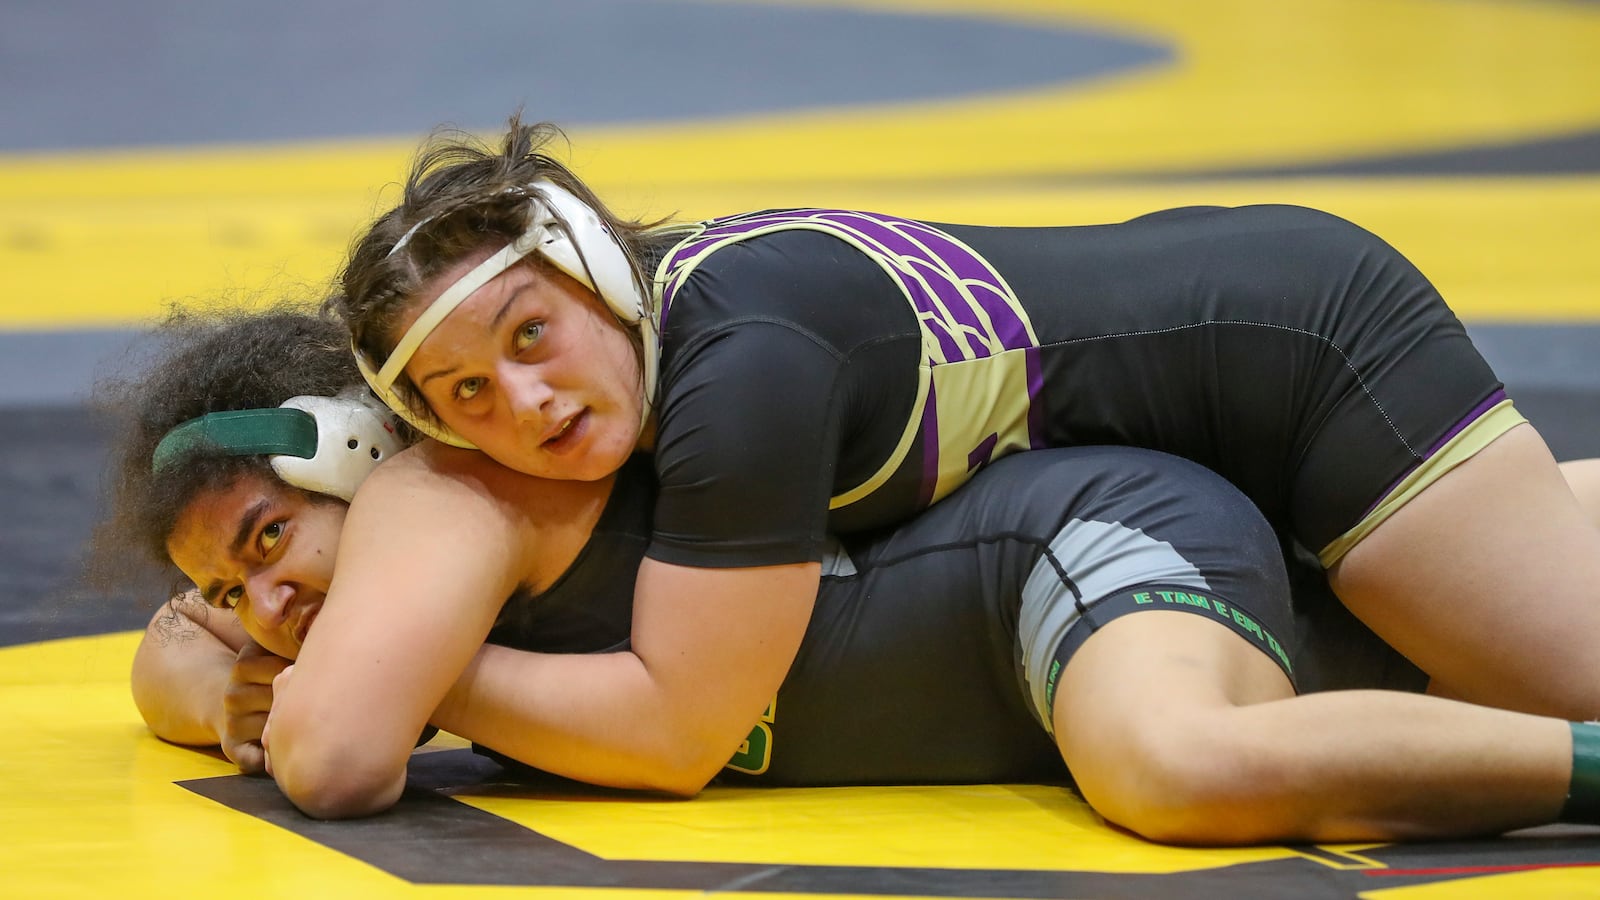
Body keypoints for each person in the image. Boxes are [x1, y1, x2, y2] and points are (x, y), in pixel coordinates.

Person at [270, 115, 1600, 817]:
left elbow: (682, 732)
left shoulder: (742, 371)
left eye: (530, 335)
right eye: (464, 395)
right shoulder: (688, 338)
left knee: (1566, 679)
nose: (526, 400)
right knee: (1515, 587)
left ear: (593, 269)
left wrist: (396, 662)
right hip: (1203, 398)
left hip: (1302, 363)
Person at [112, 307, 1600, 844]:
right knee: (1459, 631)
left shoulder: (445, 493)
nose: (269, 612)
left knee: (1182, 764)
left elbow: (339, 751)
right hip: (1050, 603)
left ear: (363, 450)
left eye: (266, 546)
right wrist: (216, 655)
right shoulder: (417, 557)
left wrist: (304, 684)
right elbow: (179, 665)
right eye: (230, 594)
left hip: (1068, 554)